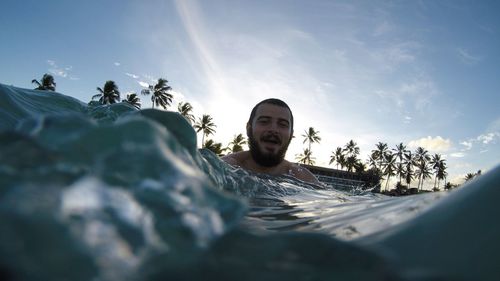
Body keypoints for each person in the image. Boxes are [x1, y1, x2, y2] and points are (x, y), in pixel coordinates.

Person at [222, 98, 320, 184]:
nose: (274, 130)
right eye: (264, 121)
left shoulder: (304, 179)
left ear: (291, 135)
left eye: (283, 124)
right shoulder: (223, 168)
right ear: (249, 129)